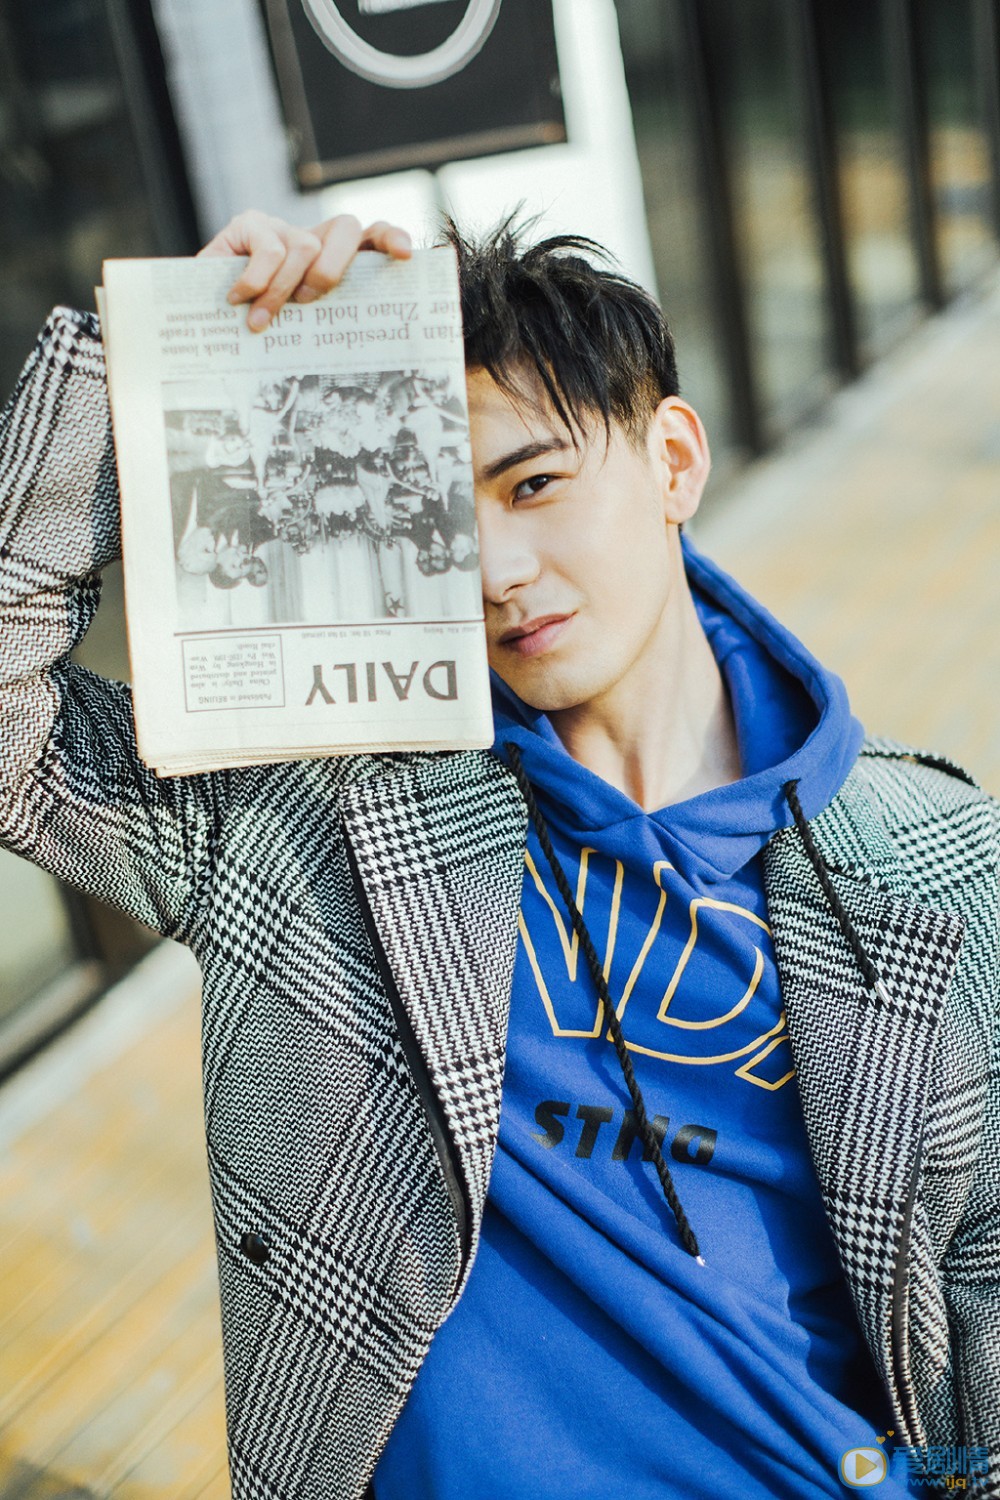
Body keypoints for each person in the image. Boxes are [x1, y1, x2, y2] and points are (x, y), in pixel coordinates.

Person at [0, 208, 996, 1500]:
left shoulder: (935, 861)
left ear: (673, 459)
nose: (497, 569)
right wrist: (149, 359)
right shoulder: (317, 822)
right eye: (436, 517)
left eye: (534, 486)